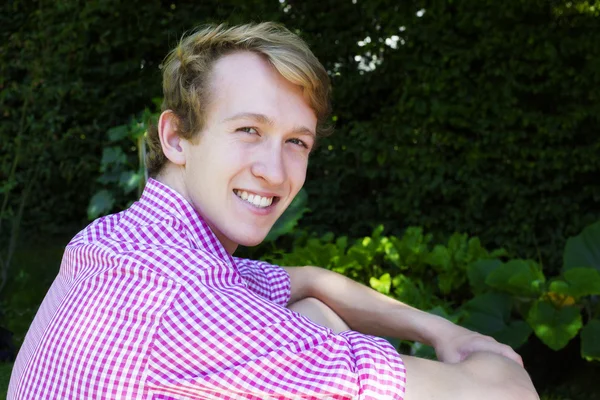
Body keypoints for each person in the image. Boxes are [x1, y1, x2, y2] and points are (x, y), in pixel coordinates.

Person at [9, 22, 539, 400]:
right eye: (249, 130)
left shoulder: (119, 241)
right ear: (176, 137)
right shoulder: (189, 301)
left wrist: (446, 332)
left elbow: (309, 280)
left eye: (297, 142)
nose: (276, 171)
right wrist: (487, 353)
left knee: (314, 314)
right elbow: (501, 392)